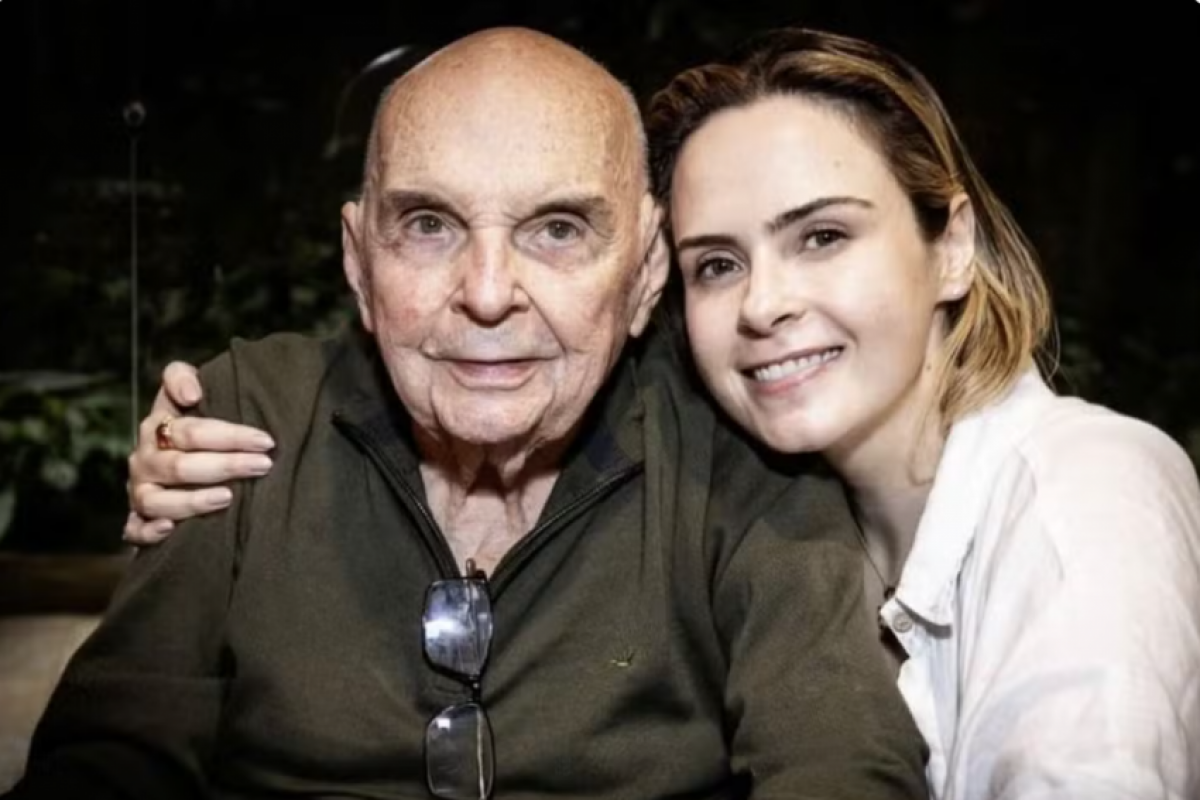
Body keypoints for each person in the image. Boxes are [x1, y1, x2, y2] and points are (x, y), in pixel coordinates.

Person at [129, 26, 1200, 800]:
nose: (766, 303)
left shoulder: (1080, 500)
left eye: (824, 236)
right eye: (719, 262)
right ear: (359, 260)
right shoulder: (246, 425)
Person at [8, 27, 930, 800]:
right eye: (429, 225)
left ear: (647, 268)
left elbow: (841, 763)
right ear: (359, 262)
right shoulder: (251, 420)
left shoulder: (733, 450)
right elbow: (110, 751)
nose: (488, 294)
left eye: (557, 229)